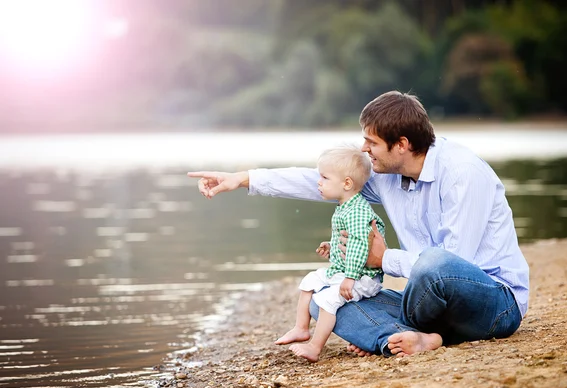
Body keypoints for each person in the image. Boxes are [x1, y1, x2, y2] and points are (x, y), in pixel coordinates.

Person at [188, 90, 529, 359]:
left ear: (402, 145)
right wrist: (244, 178)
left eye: (372, 143)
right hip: (427, 301)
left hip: (494, 302)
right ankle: (409, 338)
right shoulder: (386, 172)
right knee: (325, 299)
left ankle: (416, 333)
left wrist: (383, 260)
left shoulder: (463, 174)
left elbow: (454, 264)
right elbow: (323, 181)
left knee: (434, 262)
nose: (365, 150)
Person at [271, 145, 387, 362]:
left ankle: (315, 347)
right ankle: (301, 327)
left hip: (363, 277)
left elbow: (362, 245)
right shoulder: (345, 206)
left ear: (347, 183)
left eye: (324, 177)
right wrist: (333, 246)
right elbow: (349, 241)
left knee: (327, 299)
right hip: (349, 270)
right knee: (310, 281)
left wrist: (351, 277)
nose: (319, 182)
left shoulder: (357, 211)